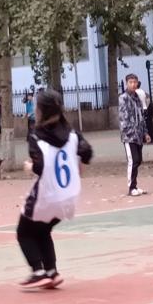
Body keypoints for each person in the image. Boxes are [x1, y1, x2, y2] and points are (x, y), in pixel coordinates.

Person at [16, 89, 93, 290]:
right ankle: (52, 272)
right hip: (69, 196)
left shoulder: (36, 136)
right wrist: (79, 161)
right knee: (43, 230)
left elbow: (40, 167)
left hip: (46, 196)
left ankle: (38, 272)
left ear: (41, 111)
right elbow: (87, 153)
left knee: (23, 232)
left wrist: (30, 167)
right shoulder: (72, 134)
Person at [119, 73, 150, 196]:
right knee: (133, 160)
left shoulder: (138, 98)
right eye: (130, 82)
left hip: (139, 135)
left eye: (135, 82)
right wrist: (130, 132)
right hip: (129, 136)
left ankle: (135, 186)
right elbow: (124, 118)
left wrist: (145, 133)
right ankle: (131, 188)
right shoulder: (123, 98)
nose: (133, 84)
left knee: (138, 160)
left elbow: (141, 117)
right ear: (127, 83)